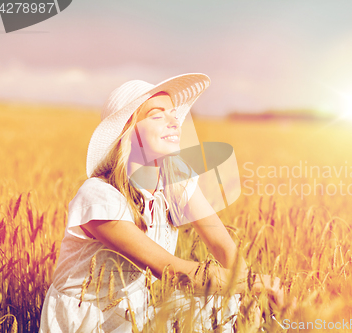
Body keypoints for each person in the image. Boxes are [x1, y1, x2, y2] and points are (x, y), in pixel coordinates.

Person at [39, 74, 286, 333]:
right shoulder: (100, 197)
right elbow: (176, 273)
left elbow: (224, 248)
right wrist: (258, 283)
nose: (174, 121)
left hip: (134, 312)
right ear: (127, 131)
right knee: (220, 298)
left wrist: (249, 296)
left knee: (227, 302)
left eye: (174, 114)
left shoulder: (175, 185)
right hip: (90, 321)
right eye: (158, 115)